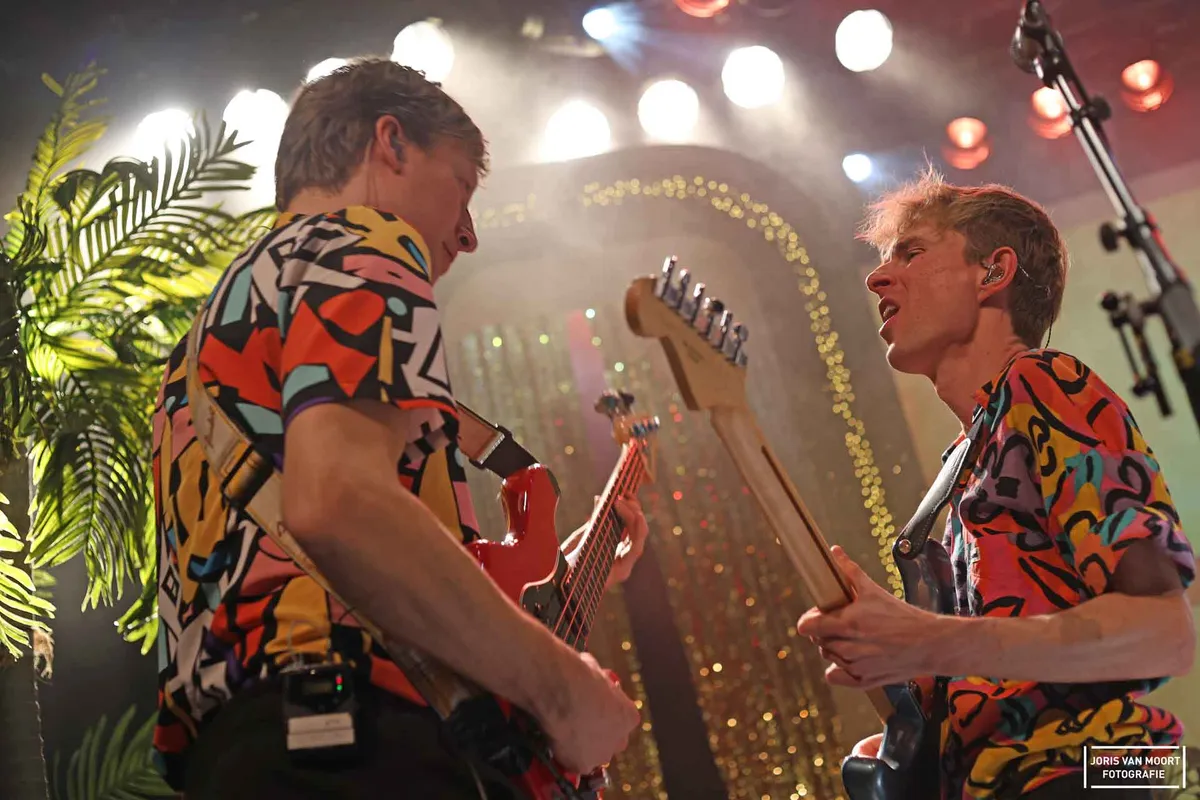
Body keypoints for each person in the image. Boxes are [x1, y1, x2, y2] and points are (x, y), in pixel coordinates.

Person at [151, 58, 646, 799]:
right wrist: (564, 692)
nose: (468, 235)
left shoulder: (218, 328)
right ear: (392, 144)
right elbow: (339, 505)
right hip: (362, 738)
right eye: (461, 187)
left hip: (252, 746)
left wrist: (558, 573)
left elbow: (303, 544)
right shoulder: (364, 244)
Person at [796, 169, 1196, 800]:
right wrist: (929, 730)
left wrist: (925, 641)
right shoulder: (966, 459)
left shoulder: (1044, 383)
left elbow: (1165, 636)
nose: (877, 278)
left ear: (993, 271)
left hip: (1102, 773)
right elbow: (1000, 666)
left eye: (911, 252)